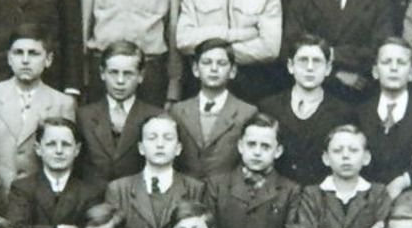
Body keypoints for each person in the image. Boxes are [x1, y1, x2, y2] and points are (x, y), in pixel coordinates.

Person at [203, 112, 300, 228]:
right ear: (240, 146)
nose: (257, 152)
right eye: (251, 144)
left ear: (278, 151)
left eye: (265, 146)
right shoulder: (217, 186)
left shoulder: (290, 190)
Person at [4, 116, 105, 228]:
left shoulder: (90, 192)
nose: (59, 151)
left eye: (66, 145)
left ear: (77, 150)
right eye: (51, 144)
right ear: (38, 149)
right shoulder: (23, 187)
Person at [0, 27, 77, 192]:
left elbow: (66, 161)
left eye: (34, 54)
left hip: (40, 199)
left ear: (48, 60)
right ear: (9, 58)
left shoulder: (62, 103)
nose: (25, 60)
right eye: (19, 53)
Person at [289, 123, 391, 228]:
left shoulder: (378, 193)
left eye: (353, 150)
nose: (345, 156)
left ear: (366, 158)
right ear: (326, 158)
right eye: (337, 151)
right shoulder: (312, 194)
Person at [102, 114, 205, 228]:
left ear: (178, 148)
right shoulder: (118, 189)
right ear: (141, 148)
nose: (160, 144)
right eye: (152, 138)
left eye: (168, 138)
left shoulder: (195, 189)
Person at [257, 34, 351, 185]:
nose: (309, 68)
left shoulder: (342, 112)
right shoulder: (269, 107)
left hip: (320, 197)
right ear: (290, 66)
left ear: (328, 68)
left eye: (317, 61)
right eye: (303, 61)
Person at [354, 37, 412, 198]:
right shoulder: (360, 112)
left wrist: (405, 180)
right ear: (375, 72)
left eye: (401, 63)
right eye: (387, 62)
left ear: (411, 73)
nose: (393, 68)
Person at [74, 41, 163, 186]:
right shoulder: (84, 116)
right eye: (113, 73)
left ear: (140, 76)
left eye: (128, 74)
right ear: (102, 73)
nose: (120, 81)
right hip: (92, 202)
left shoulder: (155, 117)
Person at [167, 39, 258, 180]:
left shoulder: (247, 112)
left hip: (226, 195)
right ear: (195, 70)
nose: (214, 69)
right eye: (207, 63)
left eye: (221, 63)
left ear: (232, 71)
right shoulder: (178, 111)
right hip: (186, 193)